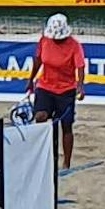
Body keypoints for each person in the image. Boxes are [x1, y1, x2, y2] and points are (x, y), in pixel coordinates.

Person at [28, 11, 88, 167]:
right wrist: (30, 80)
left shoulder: (74, 45)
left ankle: (66, 163)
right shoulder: (44, 40)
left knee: (66, 125)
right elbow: (38, 60)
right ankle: (40, 158)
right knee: (40, 117)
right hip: (45, 86)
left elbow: (80, 66)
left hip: (66, 89)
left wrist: (80, 86)